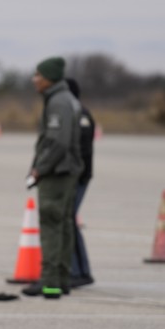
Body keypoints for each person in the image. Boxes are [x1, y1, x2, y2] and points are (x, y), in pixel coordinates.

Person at [23, 57, 83, 299]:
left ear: (50, 78)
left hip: (57, 174)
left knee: (51, 225)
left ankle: (50, 283)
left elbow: (58, 142)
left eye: (38, 75)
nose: (34, 80)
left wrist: (40, 169)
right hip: (67, 172)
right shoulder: (67, 99)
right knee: (64, 225)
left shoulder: (58, 102)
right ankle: (62, 280)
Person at [67, 77, 95, 288]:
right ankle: (76, 269)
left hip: (78, 177)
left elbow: (83, 150)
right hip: (71, 176)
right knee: (67, 220)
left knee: (68, 220)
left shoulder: (81, 116)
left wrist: (75, 173)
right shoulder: (70, 114)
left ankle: (81, 271)